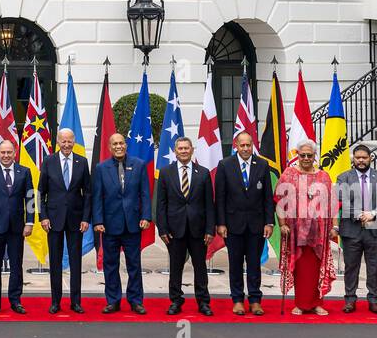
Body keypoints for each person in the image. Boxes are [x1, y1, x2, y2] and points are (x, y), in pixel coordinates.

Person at [214, 131, 275, 316]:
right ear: (236, 146)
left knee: (254, 264)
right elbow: (221, 197)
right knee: (235, 264)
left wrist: (269, 222)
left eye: (249, 145)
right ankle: (238, 299)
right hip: (233, 225)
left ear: (252, 146)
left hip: (256, 225)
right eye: (242, 145)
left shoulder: (262, 165)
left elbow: (267, 197)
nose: (246, 148)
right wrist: (221, 223)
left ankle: (255, 300)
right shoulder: (225, 165)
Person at [91, 132, 151, 315]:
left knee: (134, 265)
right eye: (115, 144)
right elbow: (97, 197)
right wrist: (98, 220)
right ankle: (113, 300)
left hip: (133, 224)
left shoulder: (139, 165)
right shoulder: (101, 168)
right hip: (109, 225)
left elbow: (145, 194)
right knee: (110, 265)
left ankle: (136, 300)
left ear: (126, 145)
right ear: (110, 147)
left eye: (121, 143)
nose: (118, 146)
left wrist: (146, 217)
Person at [276, 140, 338, 315]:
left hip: (319, 234)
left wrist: (335, 226)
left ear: (314, 156)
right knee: (300, 268)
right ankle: (301, 304)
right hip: (296, 233)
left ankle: (317, 303)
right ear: (297, 155)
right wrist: (282, 224)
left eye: (309, 155)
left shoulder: (324, 177)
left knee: (317, 267)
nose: (305, 158)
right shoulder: (288, 174)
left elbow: (332, 204)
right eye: (302, 155)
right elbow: (280, 202)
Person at [155, 136, 216, 316]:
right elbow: (161, 204)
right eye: (180, 148)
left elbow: (209, 205)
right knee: (175, 267)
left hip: (198, 229)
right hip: (174, 230)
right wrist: (163, 229)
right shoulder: (166, 173)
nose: (183, 151)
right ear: (175, 151)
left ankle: (203, 302)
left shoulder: (203, 173)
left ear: (192, 150)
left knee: (200, 267)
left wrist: (209, 229)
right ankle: (175, 300)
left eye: (186, 148)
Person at [334, 144, 377, 313]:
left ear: (370, 158)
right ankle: (350, 299)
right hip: (351, 230)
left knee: (374, 267)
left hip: (376, 230)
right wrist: (360, 214)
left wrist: (373, 213)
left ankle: (374, 300)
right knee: (351, 266)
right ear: (353, 159)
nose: (361, 160)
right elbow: (342, 200)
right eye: (358, 157)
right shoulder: (343, 177)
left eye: (364, 157)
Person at [0, 139, 34, 314]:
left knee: (16, 265)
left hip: (17, 227)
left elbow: (31, 198)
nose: (6, 155)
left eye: (9, 152)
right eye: (3, 152)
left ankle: (16, 300)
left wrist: (30, 222)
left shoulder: (24, 172)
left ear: (14, 153)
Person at [39, 127, 90, 314]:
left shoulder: (82, 162)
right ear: (58, 142)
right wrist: (42, 217)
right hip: (53, 220)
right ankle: (56, 301)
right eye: (63, 141)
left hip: (76, 220)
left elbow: (88, 193)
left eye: (70, 141)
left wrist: (86, 218)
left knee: (76, 261)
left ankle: (76, 301)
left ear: (74, 141)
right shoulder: (48, 161)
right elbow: (40, 193)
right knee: (55, 261)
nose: (67, 144)